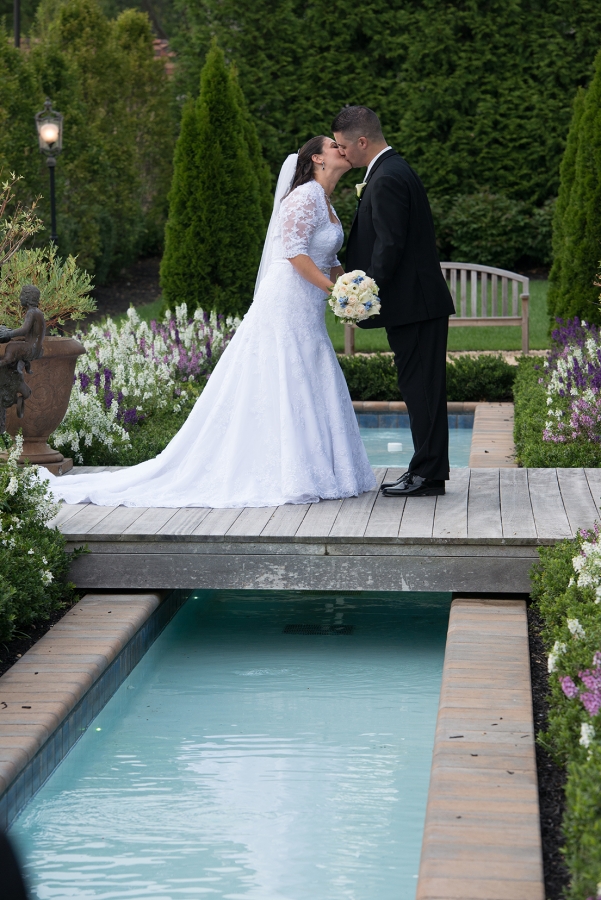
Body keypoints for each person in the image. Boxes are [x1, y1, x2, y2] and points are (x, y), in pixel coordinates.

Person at [45, 137, 376, 509]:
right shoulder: (303, 197)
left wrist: (351, 288)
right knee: (285, 374)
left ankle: (324, 469)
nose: (341, 148)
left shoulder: (325, 201)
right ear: (317, 158)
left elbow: (328, 257)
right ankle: (289, 471)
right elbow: (295, 253)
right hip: (287, 300)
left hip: (308, 305)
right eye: (333, 145)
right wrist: (335, 290)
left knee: (311, 374)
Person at [333, 106, 455, 498]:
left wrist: (362, 292)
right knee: (420, 388)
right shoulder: (392, 169)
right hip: (415, 304)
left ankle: (428, 476)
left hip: (414, 306)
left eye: (343, 146)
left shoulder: (386, 178)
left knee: (422, 390)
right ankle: (426, 470)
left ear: (362, 141)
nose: (341, 153)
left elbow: (389, 246)